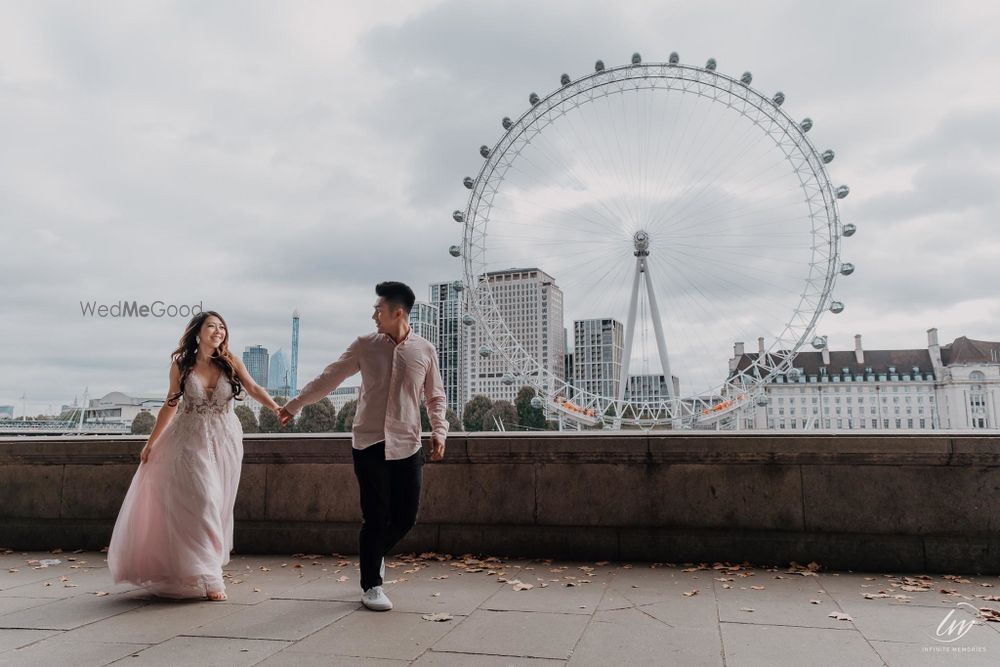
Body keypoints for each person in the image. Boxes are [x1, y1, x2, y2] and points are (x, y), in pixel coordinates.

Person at [279, 281, 448, 611]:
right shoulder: (364, 345)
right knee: (375, 517)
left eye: (379, 309)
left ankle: (373, 556)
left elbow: (435, 396)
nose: (373, 315)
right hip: (369, 443)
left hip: (408, 444)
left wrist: (440, 431)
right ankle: (371, 584)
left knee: (406, 517)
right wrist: (294, 405)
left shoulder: (425, 350)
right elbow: (330, 377)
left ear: (397, 312)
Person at [108, 311, 281, 601]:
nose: (218, 331)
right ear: (198, 333)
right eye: (211, 326)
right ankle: (212, 577)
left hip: (225, 440)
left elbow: (253, 388)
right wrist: (151, 443)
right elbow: (170, 405)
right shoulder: (181, 365)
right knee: (205, 500)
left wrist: (277, 409)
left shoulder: (231, 362)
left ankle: (201, 566)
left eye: (222, 327)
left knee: (219, 503)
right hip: (190, 441)